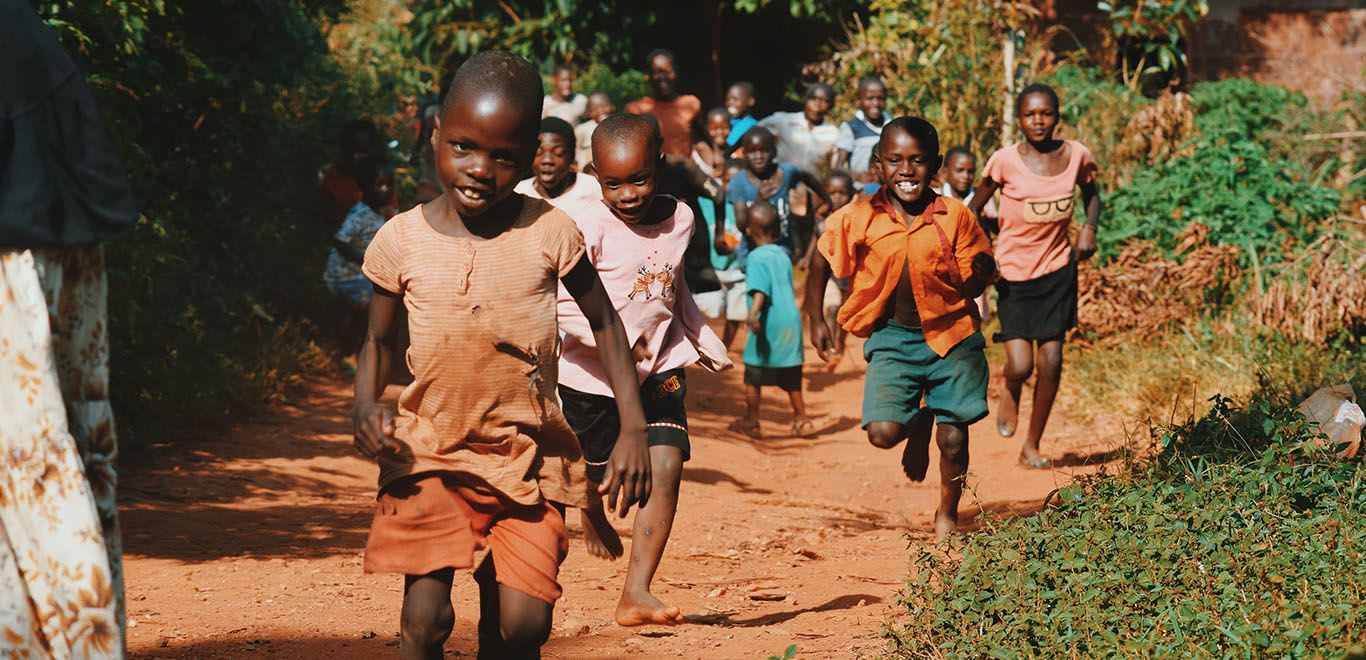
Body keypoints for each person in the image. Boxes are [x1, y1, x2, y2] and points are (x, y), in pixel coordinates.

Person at [352, 51, 652, 660]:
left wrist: (634, 425)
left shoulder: (549, 231)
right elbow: (377, 342)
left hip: (527, 455)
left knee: (521, 630)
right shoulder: (399, 239)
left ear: (527, 155)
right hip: (429, 449)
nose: (480, 170)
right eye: (463, 146)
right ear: (435, 134)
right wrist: (365, 405)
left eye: (504, 156)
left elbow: (604, 321)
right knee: (426, 620)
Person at [556, 113, 731, 627]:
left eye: (639, 179)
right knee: (608, 478)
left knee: (666, 466)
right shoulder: (585, 227)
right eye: (614, 183)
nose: (628, 194)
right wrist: (613, 341)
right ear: (594, 175)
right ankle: (588, 503)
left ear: (658, 164)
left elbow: (672, 288)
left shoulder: (681, 218)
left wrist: (700, 336)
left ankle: (637, 591)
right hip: (590, 376)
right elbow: (562, 305)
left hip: (661, 365)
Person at [1, 2, 133, 655]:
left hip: (17, 272)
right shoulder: (28, 35)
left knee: (41, 466)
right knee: (67, 457)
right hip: (53, 251)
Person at [807, 117, 997, 539]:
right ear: (878, 165)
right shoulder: (861, 215)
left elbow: (970, 281)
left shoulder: (956, 217)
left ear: (937, 166)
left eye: (918, 161)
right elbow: (822, 255)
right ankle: (917, 420)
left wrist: (982, 275)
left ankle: (948, 512)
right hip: (893, 336)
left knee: (954, 440)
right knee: (882, 433)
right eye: (895, 160)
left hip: (952, 335)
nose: (906, 171)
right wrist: (813, 316)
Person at [968, 83, 1101, 469]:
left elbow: (1092, 195)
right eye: (1030, 114)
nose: (1038, 121)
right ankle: (1010, 386)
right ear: (1020, 119)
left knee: (1052, 360)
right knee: (1022, 364)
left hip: (1057, 269)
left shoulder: (1076, 155)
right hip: (1012, 274)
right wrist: (984, 255)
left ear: (1057, 116)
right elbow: (973, 207)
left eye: (1045, 113)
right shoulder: (1005, 160)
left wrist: (1089, 228)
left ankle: (1032, 446)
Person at [734, 201, 813, 438]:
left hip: (767, 322)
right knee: (791, 376)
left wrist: (751, 315)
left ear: (748, 230)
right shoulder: (783, 255)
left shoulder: (756, 257)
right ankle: (802, 419)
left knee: (752, 375)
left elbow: (761, 290)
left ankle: (751, 419)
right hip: (790, 322)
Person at [323, 156, 395, 375]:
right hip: (344, 275)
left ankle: (357, 353)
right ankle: (350, 353)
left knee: (371, 310)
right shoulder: (360, 212)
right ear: (364, 187)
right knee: (371, 308)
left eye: (389, 184)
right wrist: (366, 261)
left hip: (360, 276)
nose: (385, 189)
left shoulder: (383, 212)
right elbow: (341, 240)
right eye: (378, 184)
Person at [729, 126, 831, 259]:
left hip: (783, 247)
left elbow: (808, 177)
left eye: (764, 150)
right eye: (752, 151)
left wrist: (827, 200)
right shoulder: (739, 182)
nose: (758, 156)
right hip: (752, 252)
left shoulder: (785, 172)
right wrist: (758, 200)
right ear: (744, 153)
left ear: (774, 152)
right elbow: (742, 224)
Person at [804, 169, 856, 369]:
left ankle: (841, 342)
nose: (836, 197)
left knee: (845, 313)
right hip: (830, 276)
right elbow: (816, 243)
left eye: (841, 193)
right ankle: (833, 347)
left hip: (850, 277)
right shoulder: (821, 220)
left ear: (850, 195)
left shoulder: (857, 220)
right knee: (832, 307)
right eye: (831, 193)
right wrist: (807, 258)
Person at [695, 158, 748, 349]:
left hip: (737, 270)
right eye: (727, 181)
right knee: (710, 309)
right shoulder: (708, 203)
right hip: (711, 268)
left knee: (736, 312)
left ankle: (725, 345)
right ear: (720, 180)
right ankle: (701, 344)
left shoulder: (749, 207)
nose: (732, 187)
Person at [941, 146, 997, 322]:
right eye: (959, 171)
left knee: (974, 314)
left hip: (975, 267)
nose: (965, 176)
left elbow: (996, 228)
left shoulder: (983, 201)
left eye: (970, 171)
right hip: (943, 269)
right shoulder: (936, 198)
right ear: (945, 172)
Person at [515, 116, 603, 220]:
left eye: (558, 153)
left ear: (571, 156)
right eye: (539, 153)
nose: (547, 160)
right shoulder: (518, 193)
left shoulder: (594, 189)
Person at [625, 50, 701, 162]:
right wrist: (679, 162)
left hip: (685, 177)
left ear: (676, 72)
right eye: (657, 72)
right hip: (654, 176)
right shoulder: (635, 110)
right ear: (647, 75)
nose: (663, 77)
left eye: (668, 71)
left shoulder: (691, 103)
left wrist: (717, 156)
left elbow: (701, 136)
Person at [758, 81, 840, 176]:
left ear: (830, 105)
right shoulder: (783, 121)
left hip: (812, 187)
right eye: (813, 98)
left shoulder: (833, 133)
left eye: (824, 100)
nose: (817, 104)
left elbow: (834, 168)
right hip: (780, 183)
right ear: (805, 100)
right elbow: (753, 133)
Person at [319, 119, 382, 228]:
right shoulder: (334, 177)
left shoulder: (382, 179)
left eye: (363, 153)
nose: (356, 157)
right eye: (353, 151)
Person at [833, 76, 890, 187]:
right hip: (861, 189)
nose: (876, 103)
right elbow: (839, 167)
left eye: (880, 98)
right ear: (859, 100)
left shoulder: (893, 126)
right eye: (870, 98)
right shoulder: (852, 127)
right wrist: (858, 176)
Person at [575, 91, 614, 171]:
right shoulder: (582, 130)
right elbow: (575, 149)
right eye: (595, 108)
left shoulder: (618, 126)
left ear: (612, 106)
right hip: (587, 172)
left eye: (604, 105)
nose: (601, 110)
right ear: (589, 113)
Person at [723, 81, 758, 151]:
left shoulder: (753, 126)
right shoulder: (727, 123)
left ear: (750, 101)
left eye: (735, 99)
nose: (730, 102)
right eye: (728, 99)